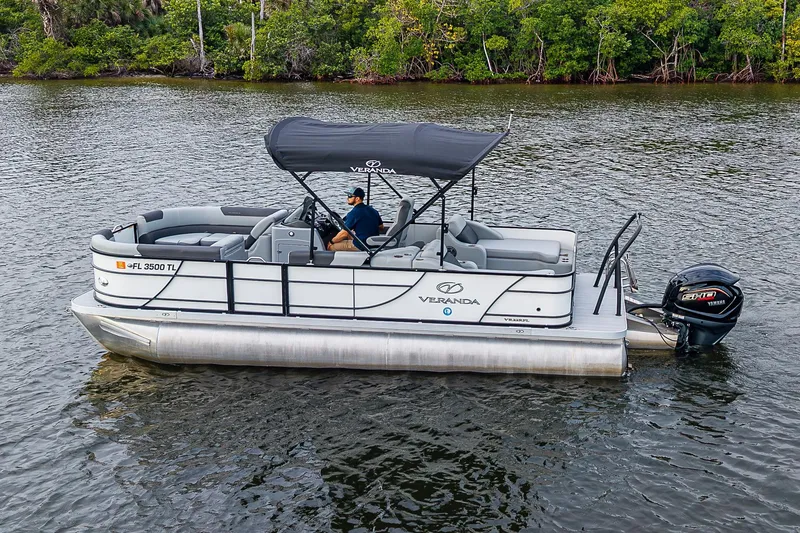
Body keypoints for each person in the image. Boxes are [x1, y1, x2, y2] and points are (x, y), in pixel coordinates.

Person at [328, 187, 383, 251]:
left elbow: (343, 234)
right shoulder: (373, 210)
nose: (347, 198)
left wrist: (331, 241)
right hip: (373, 243)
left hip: (361, 246)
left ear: (357, 198)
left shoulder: (354, 213)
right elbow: (381, 227)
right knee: (349, 234)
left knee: (331, 246)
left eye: (350, 196)